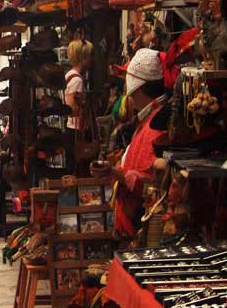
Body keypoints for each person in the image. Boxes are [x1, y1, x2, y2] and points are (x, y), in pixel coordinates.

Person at [91, 48, 167, 243]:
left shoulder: (156, 124)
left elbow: (151, 182)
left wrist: (116, 173)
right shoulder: (149, 119)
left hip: (145, 223)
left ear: (136, 85)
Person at [64, 39, 94, 175]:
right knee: (79, 170)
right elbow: (71, 109)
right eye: (90, 55)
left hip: (73, 129)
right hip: (76, 130)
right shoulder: (77, 80)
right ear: (83, 57)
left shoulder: (70, 76)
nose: (92, 59)